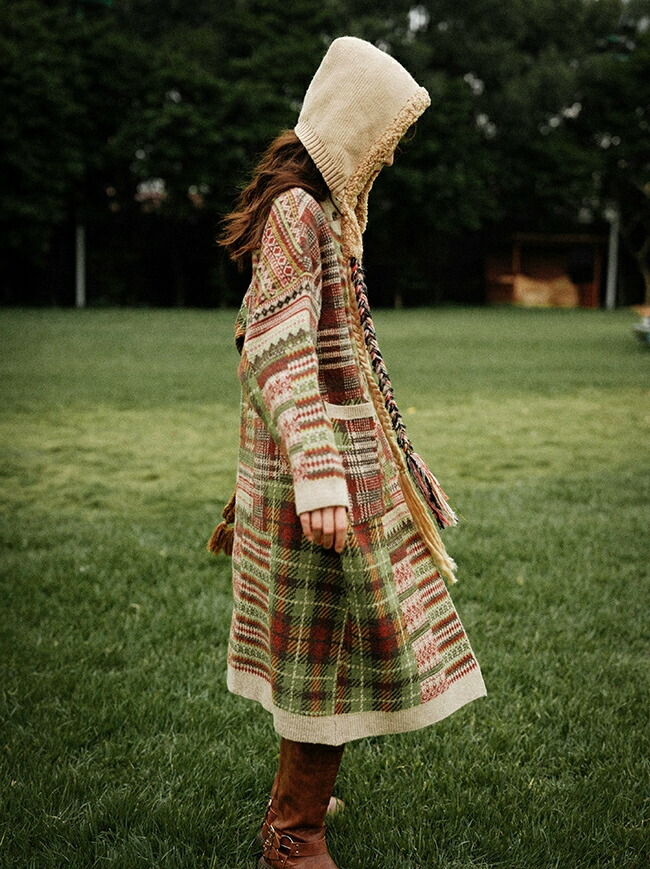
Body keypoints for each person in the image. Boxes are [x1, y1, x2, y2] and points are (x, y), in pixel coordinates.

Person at [210, 36, 487, 869]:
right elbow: (277, 347)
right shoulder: (298, 212)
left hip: (345, 475)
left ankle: (296, 795)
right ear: (351, 124)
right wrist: (321, 474)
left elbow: (342, 356)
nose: (392, 153)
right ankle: (293, 833)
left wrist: (380, 465)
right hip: (316, 484)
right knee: (327, 654)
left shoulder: (329, 214)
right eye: (387, 134)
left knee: (328, 649)